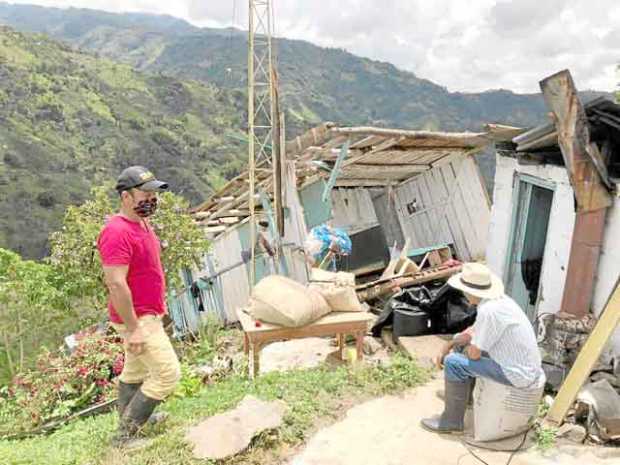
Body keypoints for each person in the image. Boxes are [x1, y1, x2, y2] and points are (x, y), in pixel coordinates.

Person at [97, 166, 181, 446]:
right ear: (125, 197)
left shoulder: (142, 224)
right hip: (137, 318)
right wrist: (133, 328)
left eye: (154, 193)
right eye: (144, 193)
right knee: (168, 373)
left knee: (134, 371)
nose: (151, 199)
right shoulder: (116, 232)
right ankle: (124, 437)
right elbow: (116, 284)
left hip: (148, 313)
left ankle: (129, 420)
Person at [421, 262, 543, 434]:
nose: (462, 294)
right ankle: (464, 399)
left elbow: (474, 354)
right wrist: (450, 343)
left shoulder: (488, 311)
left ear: (470, 292)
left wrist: (457, 347)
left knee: (453, 363)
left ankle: (451, 422)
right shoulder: (500, 301)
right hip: (525, 366)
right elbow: (474, 330)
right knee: (461, 347)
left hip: (516, 374)